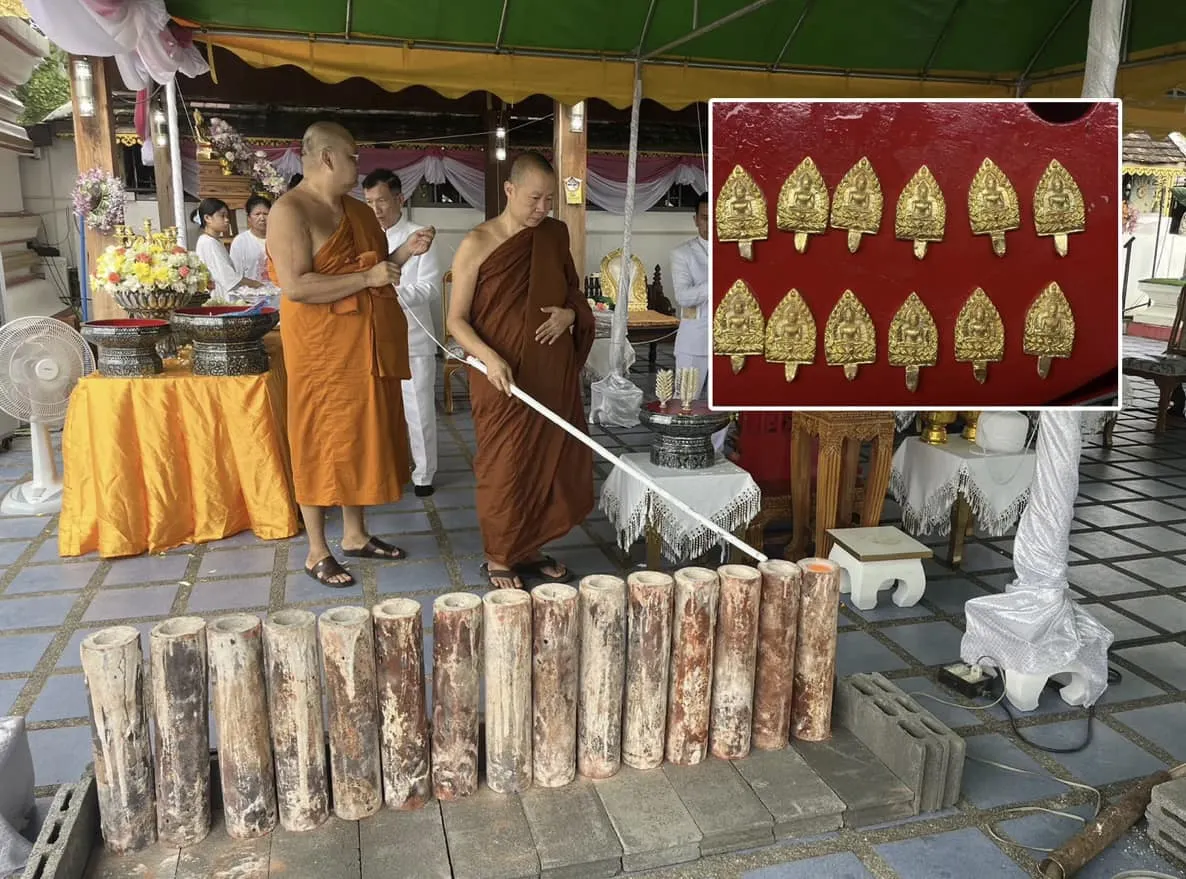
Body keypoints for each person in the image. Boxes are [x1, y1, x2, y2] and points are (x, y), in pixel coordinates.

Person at [266, 121, 434, 587]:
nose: (359, 165)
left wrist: (404, 254)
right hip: (320, 352)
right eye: (353, 156)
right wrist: (368, 278)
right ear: (326, 158)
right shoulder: (289, 210)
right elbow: (298, 285)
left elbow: (376, 271)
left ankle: (356, 535)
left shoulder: (358, 213)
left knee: (355, 437)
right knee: (319, 440)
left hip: (362, 346)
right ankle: (317, 549)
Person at [447, 150, 594, 590]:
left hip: (549, 373)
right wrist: (489, 357)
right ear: (509, 190)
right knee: (505, 464)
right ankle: (499, 555)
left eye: (549, 200)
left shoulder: (554, 235)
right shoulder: (477, 242)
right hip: (501, 377)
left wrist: (570, 315)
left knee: (546, 462)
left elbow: (573, 293)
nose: (542, 209)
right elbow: (455, 321)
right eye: (534, 198)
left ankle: (528, 549)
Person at [362, 169, 442, 497]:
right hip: (374, 337)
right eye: (369, 202)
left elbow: (430, 288)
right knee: (379, 408)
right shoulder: (365, 238)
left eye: (381, 200)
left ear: (399, 198)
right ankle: (388, 466)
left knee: (418, 407)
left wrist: (389, 297)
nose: (376, 209)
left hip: (413, 336)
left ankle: (424, 473)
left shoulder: (419, 236)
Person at [671, 192, 709, 397]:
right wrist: (718, 281)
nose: (710, 224)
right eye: (704, 218)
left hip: (728, 341)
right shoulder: (682, 253)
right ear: (695, 220)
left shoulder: (736, 251)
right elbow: (683, 296)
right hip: (694, 340)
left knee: (721, 407)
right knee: (685, 402)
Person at [192, 198, 264, 301]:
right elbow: (228, 277)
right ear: (207, 218)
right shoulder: (208, 242)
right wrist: (254, 283)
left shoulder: (214, 241)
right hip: (219, 295)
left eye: (227, 216)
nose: (227, 220)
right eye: (222, 216)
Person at [229, 195, 271, 282]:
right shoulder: (240, 241)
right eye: (257, 214)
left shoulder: (278, 238)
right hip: (250, 292)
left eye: (265, 214)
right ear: (249, 218)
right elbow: (236, 274)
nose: (262, 218)